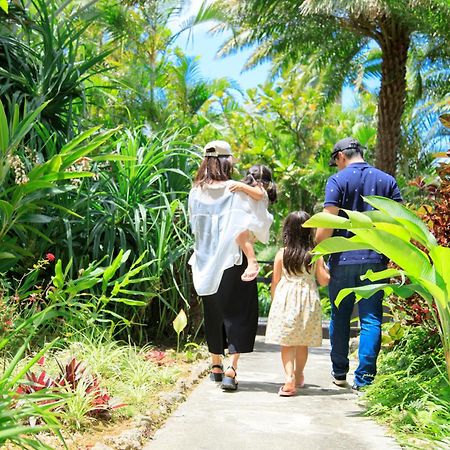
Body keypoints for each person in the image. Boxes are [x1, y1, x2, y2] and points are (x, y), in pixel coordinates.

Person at [316, 137, 402, 390]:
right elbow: (398, 223)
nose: (337, 166)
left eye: (336, 162)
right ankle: (364, 380)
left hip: (342, 259)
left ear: (341, 156)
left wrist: (318, 254)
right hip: (375, 259)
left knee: (340, 317)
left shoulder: (338, 181)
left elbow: (327, 222)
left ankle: (339, 372)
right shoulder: (387, 181)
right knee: (371, 319)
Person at [188, 140, 273, 391]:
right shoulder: (236, 190)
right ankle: (230, 371)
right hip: (233, 262)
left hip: (203, 261)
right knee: (238, 314)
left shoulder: (195, 192)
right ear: (226, 161)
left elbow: (194, 226)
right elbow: (250, 224)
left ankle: (215, 365)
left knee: (212, 312)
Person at [265, 211, 330, 397]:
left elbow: (275, 282)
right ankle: (300, 374)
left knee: (287, 342)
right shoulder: (315, 254)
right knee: (303, 341)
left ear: (288, 230)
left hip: (285, 298)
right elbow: (324, 280)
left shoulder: (282, 254)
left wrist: (274, 302)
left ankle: (289, 377)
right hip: (307, 299)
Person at [228, 165, 277, 282]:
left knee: (241, 236)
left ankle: (252, 261)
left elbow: (259, 194)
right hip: (254, 228)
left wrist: (241, 186)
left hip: (252, 227)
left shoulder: (259, 189)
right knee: (242, 239)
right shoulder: (252, 192)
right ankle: (249, 260)